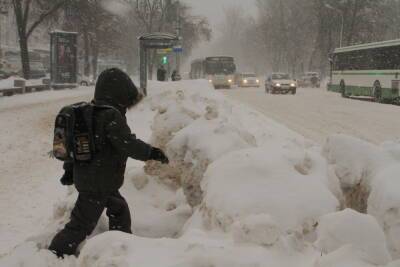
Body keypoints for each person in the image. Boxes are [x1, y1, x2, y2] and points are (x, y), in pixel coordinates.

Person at [48, 68, 169, 257]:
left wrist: (69, 169)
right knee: (80, 225)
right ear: (119, 95)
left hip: (97, 181)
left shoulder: (85, 113)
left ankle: (119, 246)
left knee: (119, 210)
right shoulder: (110, 116)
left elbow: (76, 146)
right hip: (99, 183)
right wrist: (152, 152)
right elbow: (127, 144)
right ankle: (54, 254)